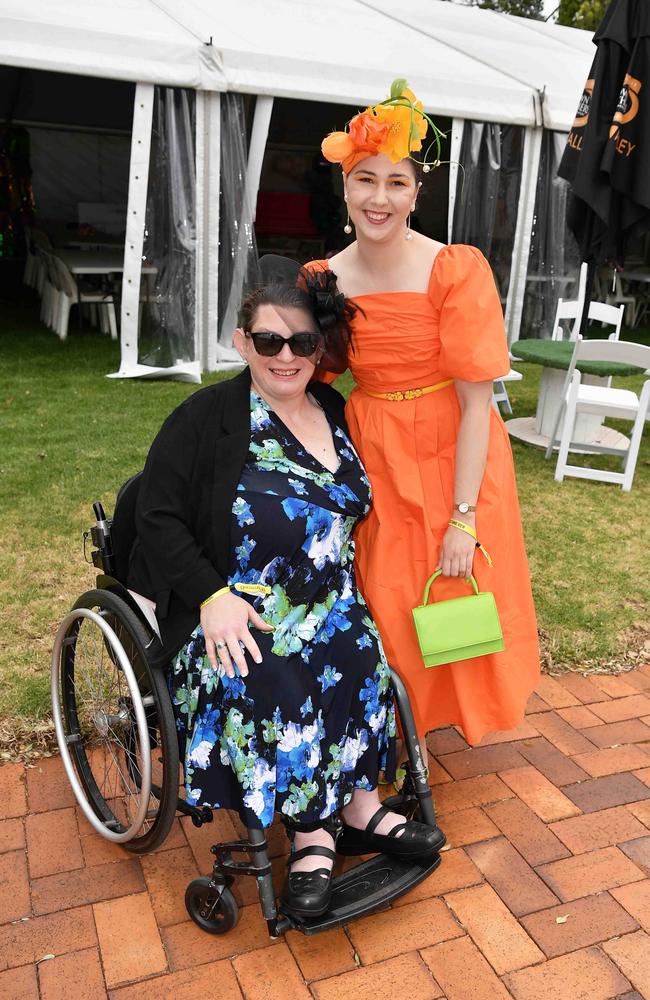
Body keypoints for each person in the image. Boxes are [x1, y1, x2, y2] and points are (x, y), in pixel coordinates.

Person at [128, 264, 444, 919]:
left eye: (302, 343)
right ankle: (311, 837)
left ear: (319, 350)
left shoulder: (333, 409)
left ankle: (360, 808)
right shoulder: (206, 418)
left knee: (362, 657)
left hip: (327, 604)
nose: (285, 357)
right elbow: (156, 517)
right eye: (268, 341)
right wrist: (210, 595)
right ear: (242, 343)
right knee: (277, 683)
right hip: (235, 607)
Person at [305, 80, 539, 748]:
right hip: (375, 448)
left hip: (454, 448)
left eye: (396, 183)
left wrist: (463, 516)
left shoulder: (455, 269)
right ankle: (392, 731)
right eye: (365, 179)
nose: (379, 198)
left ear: (416, 192)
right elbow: (311, 378)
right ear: (345, 186)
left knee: (454, 582)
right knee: (388, 593)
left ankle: (438, 723)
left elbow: (476, 402)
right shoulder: (322, 279)